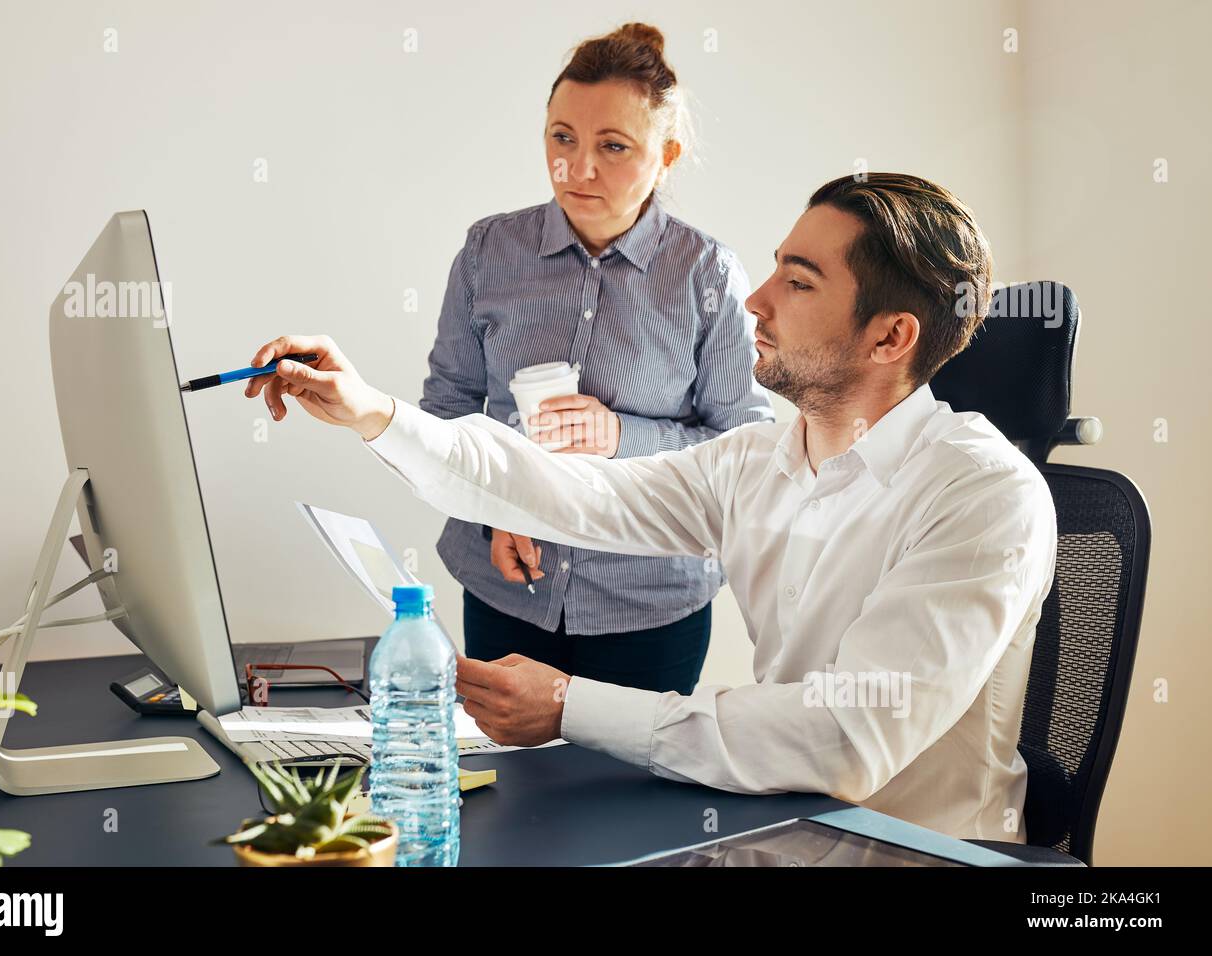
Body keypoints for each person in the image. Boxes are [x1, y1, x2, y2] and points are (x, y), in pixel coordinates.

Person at [244, 172, 1058, 842]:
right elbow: (568, 493)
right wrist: (371, 412)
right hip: (786, 826)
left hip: (918, 851)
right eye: (776, 267)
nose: (757, 301)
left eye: (798, 282)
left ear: (890, 339)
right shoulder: (759, 460)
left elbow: (843, 739)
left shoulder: (984, 496)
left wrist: (569, 704)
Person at [418, 22, 773, 696]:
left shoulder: (707, 274)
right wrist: (495, 509)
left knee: (631, 799)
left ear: (666, 156)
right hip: (505, 588)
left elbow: (745, 448)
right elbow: (448, 409)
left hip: (648, 602)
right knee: (509, 795)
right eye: (562, 138)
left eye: (613, 146)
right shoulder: (489, 251)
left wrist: (621, 436)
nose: (577, 169)